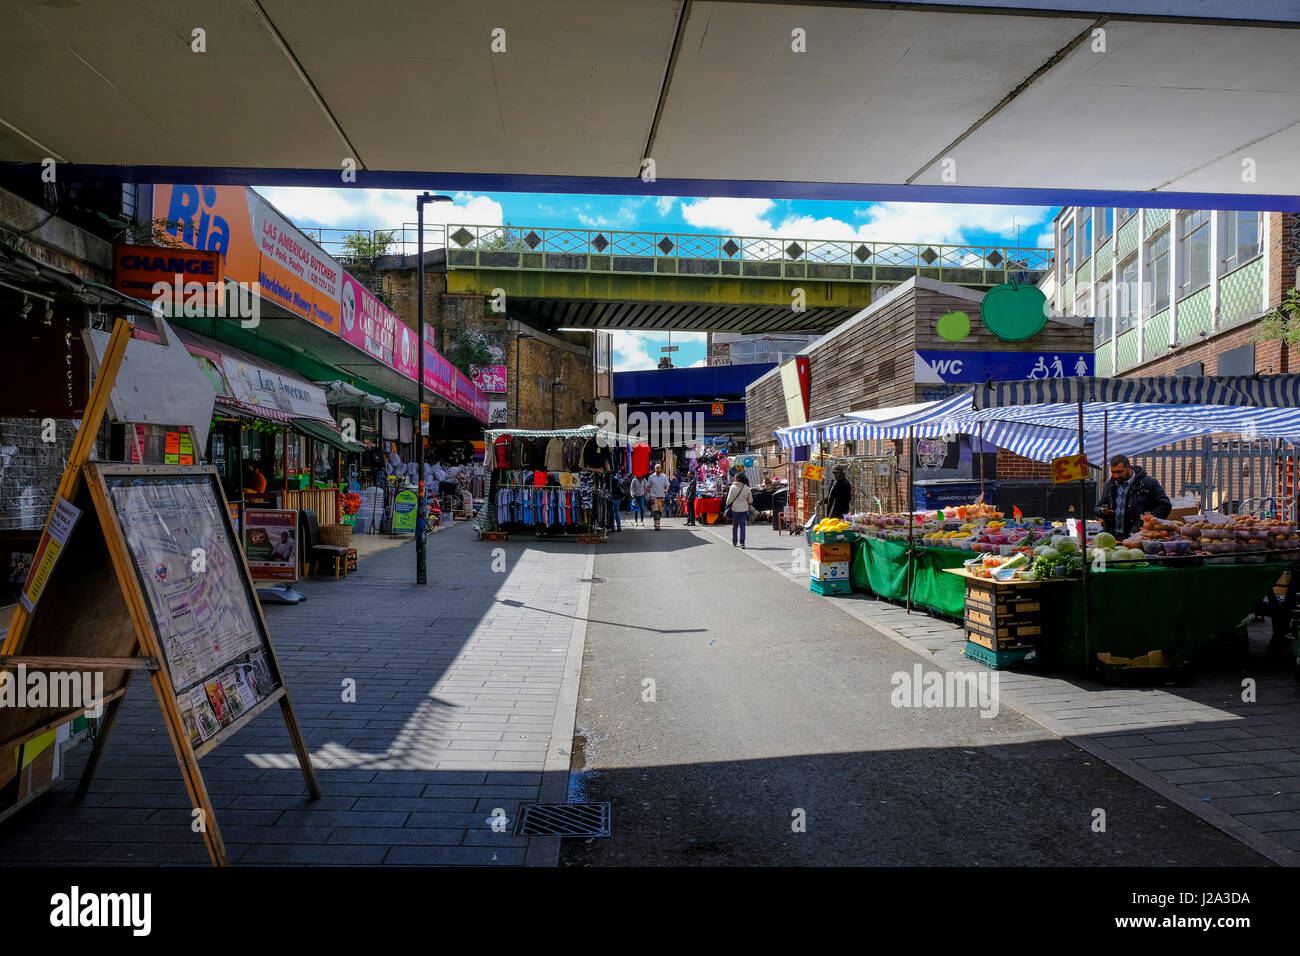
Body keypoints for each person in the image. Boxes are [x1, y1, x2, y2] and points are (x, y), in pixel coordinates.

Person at [1097, 454, 1171, 538]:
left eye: (1120, 471)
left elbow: (1165, 505)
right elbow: (1098, 507)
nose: (1116, 475)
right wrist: (1102, 511)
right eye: (1113, 472)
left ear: (1129, 467)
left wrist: (1151, 518)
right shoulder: (1109, 485)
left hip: (1139, 535)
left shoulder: (1148, 483)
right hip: (1113, 537)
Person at [725, 472, 754, 548]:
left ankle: (734, 541)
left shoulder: (732, 487)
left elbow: (729, 500)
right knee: (742, 526)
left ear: (737, 479)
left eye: (734, 477)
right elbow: (750, 501)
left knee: (735, 526)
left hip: (735, 509)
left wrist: (728, 504)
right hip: (744, 509)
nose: (733, 478)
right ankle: (742, 543)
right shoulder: (747, 488)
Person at [646, 463, 671, 531]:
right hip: (653, 497)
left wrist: (666, 490)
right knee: (655, 511)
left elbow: (667, 485)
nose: (658, 469)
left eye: (659, 468)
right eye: (656, 468)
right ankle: (657, 526)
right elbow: (648, 487)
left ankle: (656, 522)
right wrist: (648, 495)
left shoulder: (664, 476)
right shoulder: (651, 477)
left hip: (662, 497)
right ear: (654, 469)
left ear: (661, 469)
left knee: (660, 512)